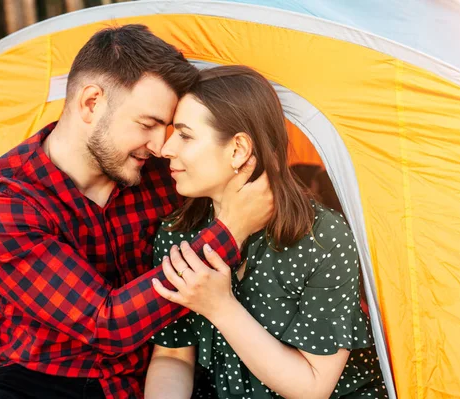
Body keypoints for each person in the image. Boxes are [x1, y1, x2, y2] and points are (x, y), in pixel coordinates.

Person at [0, 26, 272, 399]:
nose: (160, 146)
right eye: (148, 124)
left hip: (153, 374)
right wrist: (230, 231)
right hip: (35, 378)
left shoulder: (167, 176)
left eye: (169, 128)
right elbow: (106, 322)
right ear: (91, 103)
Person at [145, 66, 387, 399]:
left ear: (238, 149)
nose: (165, 148)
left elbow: (313, 387)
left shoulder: (324, 238)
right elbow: (173, 355)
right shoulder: (178, 234)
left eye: (185, 135)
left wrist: (219, 307)